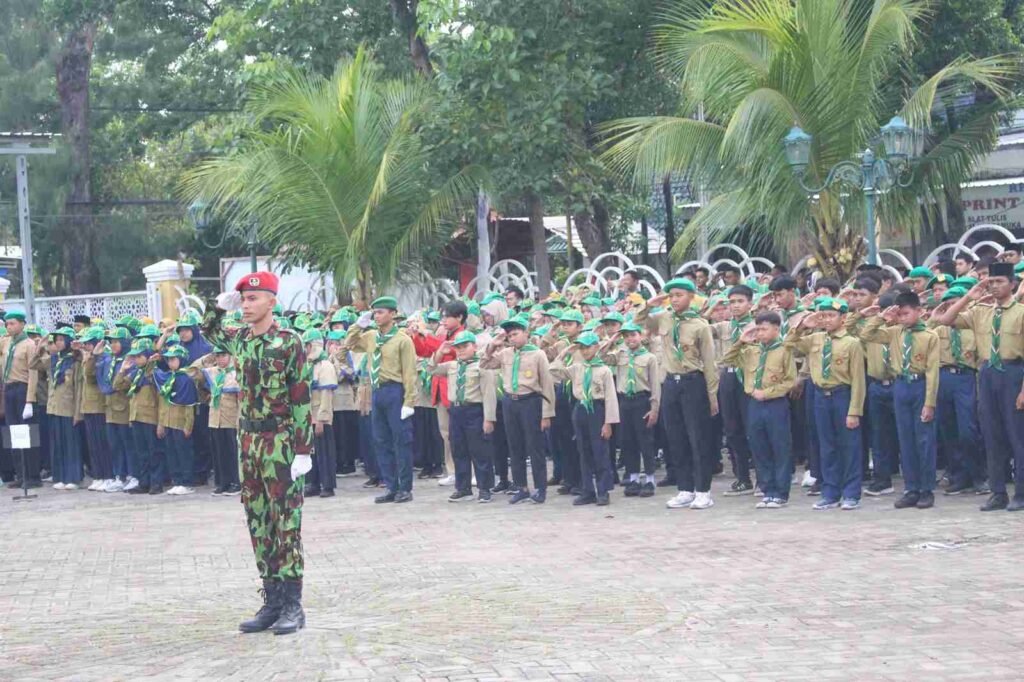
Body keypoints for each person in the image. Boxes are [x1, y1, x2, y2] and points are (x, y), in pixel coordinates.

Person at [203, 270, 313, 635]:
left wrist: (303, 449)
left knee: (286, 524)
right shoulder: (242, 340)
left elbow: (300, 398)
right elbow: (210, 332)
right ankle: (272, 601)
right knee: (259, 522)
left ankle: (293, 606)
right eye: (243, 300)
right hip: (248, 443)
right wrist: (218, 307)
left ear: (272, 301)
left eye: (253, 299)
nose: (246, 306)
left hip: (280, 443)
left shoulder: (288, 341)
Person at [930, 263, 1024, 512]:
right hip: (987, 373)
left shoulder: (1021, 312)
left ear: (1013, 284)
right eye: (990, 282)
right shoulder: (980, 311)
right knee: (992, 436)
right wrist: (969, 298)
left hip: (1014, 372)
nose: (993, 286)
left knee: (1017, 436)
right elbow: (946, 320)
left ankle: (1021, 494)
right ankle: (997, 492)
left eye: (999, 281)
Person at [637, 278, 719, 510]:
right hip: (670, 384)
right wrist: (649, 303)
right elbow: (638, 320)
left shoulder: (700, 325)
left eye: (680, 295)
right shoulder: (664, 317)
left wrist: (712, 396)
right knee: (676, 438)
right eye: (671, 295)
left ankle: (703, 491)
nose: (674, 299)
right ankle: (685, 489)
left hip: (693, 381)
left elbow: (710, 363)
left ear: (691, 297)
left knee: (698, 438)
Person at [858, 292, 940, 509]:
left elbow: (932, 371)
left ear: (919, 311)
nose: (902, 318)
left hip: (920, 385)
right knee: (906, 440)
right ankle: (911, 488)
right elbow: (866, 335)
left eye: (906, 313)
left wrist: (929, 402)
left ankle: (926, 489)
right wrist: (882, 317)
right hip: (900, 385)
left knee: (923, 439)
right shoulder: (894, 333)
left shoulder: (930, 336)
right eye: (900, 314)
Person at [786, 298, 866, 510]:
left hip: (843, 395)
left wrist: (854, 411)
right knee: (826, 445)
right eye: (824, 315)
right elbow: (789, 344)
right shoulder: (815, 339)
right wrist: (804, 325)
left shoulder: (852, 343)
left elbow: (858, 380)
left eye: (832, 315)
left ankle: (851, 493)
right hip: (821, 396)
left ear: (843, 318)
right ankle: (830, 492)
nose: (827, 320)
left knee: (849, 446)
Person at [344, 296, 418, 504]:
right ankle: (391, 486)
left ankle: (405, 487)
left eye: (381, 312)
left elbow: (410, 372)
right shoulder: (370, 336)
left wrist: (409, 402)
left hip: (395, 391)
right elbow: (348, 345)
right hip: (377, 392)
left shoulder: (402, 340)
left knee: (401, 440)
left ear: (393, 314)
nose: (377, 316)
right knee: (381, 441)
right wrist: (357, 326)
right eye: (375, 312)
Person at [722, 312, 798, 507]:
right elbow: (727, 359)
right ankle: (767, 489)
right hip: (754, 404)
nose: (761, 333)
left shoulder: (784, 350)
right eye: (758, 329)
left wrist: (769, 392)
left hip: (775, 404)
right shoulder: (751, 351)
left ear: (776, 329)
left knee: (780, 447)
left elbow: (790, 380)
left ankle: (781, 492)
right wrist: (741, 341)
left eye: (764, 329)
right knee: (759, 447)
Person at [481, 314, 556, 504]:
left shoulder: (538, 354)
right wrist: (492, 345)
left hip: (530, 402)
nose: (512, 338)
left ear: (526, 333)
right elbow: (485, 364)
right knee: (515, 447)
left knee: (534, 446)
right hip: (510, 402)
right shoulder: (506, 353)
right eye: (509, 335)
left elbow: (547, 385)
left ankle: (540, 488)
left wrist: (547, 414)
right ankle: (521, 487)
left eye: (515, 334)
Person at [928, 286, 985, 495]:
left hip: (966, 377)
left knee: (968, 430)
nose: (952, 307)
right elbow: (921, 340)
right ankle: (959, 476)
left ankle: (978, 476)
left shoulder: (973, 325)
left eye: (956, 302)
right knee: (949, 430)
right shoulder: (938, 328)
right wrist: (934, 317)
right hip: (943, 378)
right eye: (948, 303)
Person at [553, 331, 620, 506]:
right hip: (580, 408)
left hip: (597, 410)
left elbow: (611, 398)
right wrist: (565, 352)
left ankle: (603, 490)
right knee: (583, 451)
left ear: (597, 347)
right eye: (581, 348)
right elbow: (553, 370)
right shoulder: (577, 367)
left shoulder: (604, 370)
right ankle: (588, 490)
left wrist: (608, 423)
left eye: (587, 347)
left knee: (600, 451)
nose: (584, 351)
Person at [430, 331, 497, 503]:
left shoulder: (482, 366)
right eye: (458, 347)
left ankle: (484, 488)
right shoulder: (452, 365)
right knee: (458, 450)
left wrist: (489, 418)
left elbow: (489, 394)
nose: (461, 350)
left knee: (480, 450)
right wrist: (440, 352)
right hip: (456, 411)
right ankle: (463, 488)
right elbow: (431, 369)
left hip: (474, 410)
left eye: (465, 346)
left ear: (474, 347)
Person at [603, 321, 660, 497]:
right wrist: (612, 340)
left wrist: (654, 408)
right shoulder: (620, 354)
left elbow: (656, 385)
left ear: (641, 336)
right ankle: (634, 478)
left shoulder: (649, 357)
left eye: (633, 335)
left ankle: (649, 479)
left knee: (645, 441)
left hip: (642, 400)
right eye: (626, 336)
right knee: (628, 442)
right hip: (624, 402)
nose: (630, 339)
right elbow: (601, 356)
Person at [712, 284, 756, 495]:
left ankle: (764, 478)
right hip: (728, 377)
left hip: (749, 378)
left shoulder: (758, 325)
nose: (736, 306)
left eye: (740, 301)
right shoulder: (724, 327)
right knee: (732, 430)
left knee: (753, 429)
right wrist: (709, 308)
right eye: (732, 302)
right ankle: (742, 477)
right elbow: (700, 328)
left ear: (750, 303)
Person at [115, 339, 165, 495]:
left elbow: (161, 400)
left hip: (151, 418)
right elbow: (117, 386)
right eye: (134, 356)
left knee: (154, 452)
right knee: (141, 453)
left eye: (139, 356)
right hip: (136, 418)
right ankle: (144, 482)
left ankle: (156, 483)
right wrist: (122, 370)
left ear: (147, 355)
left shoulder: (154, 373)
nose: (136, 359)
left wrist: (161, 422)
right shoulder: (136, 373)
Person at [37, 327, 82, 489]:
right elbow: (34, 364)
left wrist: (78, 413)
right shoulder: (54, 359)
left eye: (62, 340)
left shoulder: (75, 360)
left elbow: (78, 388)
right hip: (54, 407)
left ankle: (73, 477)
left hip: (69, 408)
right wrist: (41, 346)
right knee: (58, 444)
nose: (58, 343)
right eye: (57, 340)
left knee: (71, 444)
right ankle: (60, 476)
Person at [194, 344, 242, 496]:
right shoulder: (212, 372)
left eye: (223, 355)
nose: (220, 359)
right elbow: (192, 371)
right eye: (218, 356)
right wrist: (205, 359)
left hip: (231, 419)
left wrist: (240, 421)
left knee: (232, 452)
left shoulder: (235, 374)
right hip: (215, 419)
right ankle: (222, 482)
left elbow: (240, 402)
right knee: (218, 452)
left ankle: (236, 482)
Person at [150, 345, 197, 495]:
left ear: (181, 360)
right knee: (171, 452)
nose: (170, 363)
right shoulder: (168, 377)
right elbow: (163, 404)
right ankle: (176, 480)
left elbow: (189, 406)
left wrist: (188, 426)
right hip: (168, 422)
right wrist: (161, 424)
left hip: (180, 423)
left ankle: (187, 481)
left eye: (173, 359)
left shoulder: (186, 379)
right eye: (168, 360)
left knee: (183, 453)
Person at [96, 327, 136, 492]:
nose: (113, 345)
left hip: (124, 407)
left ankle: (133, 474)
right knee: (115, 444)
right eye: (111, 342)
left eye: (116, 342)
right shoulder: (108, 360)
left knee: (127, 443)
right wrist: (96, 356)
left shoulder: (130, 361)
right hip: (110, 408)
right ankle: (120, 475)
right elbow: (99, 379)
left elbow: (125, 384)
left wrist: (122, 371)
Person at [301, 329, 338, 498]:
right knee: (311, 452)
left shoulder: (325, 366)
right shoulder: (307, 366)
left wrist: (322, 419)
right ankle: (312, 483)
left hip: (320, 416)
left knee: (324, 452)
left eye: (307, 346)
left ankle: (327, 485)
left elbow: (326, 395)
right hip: (308, 416)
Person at [326, 330, 359, 477]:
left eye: (335, 343)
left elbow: (344, 375)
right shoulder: (326, 358)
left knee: (346, 434)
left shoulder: (346, 357)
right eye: (330, 343)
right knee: (337, 434)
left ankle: (348, 463)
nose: (333, 346)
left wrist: (336, 360)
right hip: (333, 402)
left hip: (345, 400)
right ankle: (339, 462)